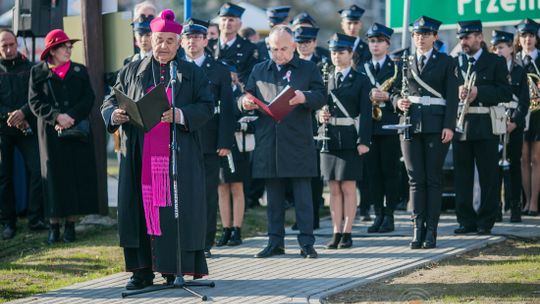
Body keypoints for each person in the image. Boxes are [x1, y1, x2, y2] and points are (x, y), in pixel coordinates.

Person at [101, 10, 214, 290]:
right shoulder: (131, 70)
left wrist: (181, 115)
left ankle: (174, 268)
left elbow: (207, 107)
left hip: (178, 156)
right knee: (138, 209)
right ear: (150, 39)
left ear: (179, 43)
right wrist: (114, 115)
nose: (163, 46)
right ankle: (141, 272)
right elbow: (109, 100)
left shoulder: (191, 73)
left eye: (169, 41)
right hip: (139, 155)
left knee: (176, 210)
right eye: (158, 39)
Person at [241, 25, 325, 258]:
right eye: (274, 49)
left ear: (294, 46)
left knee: (303, 197)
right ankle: (274, 242)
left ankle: (307, 243)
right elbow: (247, 96)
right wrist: (245, 103)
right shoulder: (260, 69)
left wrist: (304, 97)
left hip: (297, 141)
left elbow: (321, 95)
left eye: (284, 49)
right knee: (274, 197)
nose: (279, 54)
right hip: (270, 141)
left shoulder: (308, 68)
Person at [28, 29, 99, 244]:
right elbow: (34, 102)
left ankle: (70, 225)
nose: (69, 50)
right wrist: (57, 117)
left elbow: (89, 98)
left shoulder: (79, 70)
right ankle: (54, 225)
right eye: (64, 47)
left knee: (75, 177)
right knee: (54, 178)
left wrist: (71, 117)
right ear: (52, 50)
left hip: (77, 131)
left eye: (70, 47)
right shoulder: (38, 72)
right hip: (50, 134)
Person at [395, 16, 458, 248]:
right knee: (414, 179)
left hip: (436, 125)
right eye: (417, 35)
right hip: (410, 123)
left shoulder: (446, 62)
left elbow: (452, 98)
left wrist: (449, 125)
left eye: (425, 34)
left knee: (432, 179)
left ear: (435, 37)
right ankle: (416, 229)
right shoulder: (404, 60)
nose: (420, 39)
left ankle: (431, 230)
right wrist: (396, 102)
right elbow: (395, 90)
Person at [181, 18, 235, 258]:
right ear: (182, 41)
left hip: (210, 140)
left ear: (205, 40)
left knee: (207, 193)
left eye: (196, 37)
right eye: (188, 37)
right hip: (181, 139)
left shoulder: (219, 69)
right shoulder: (175, 67)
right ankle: (184, 239)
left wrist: (225, 141)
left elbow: (228, 109)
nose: (192, 42)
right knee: (182, 192)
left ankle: (205, 242)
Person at [453, 20, 512, 235]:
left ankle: (486, 221)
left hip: (485, 124)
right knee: (462, 176)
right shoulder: (455, 61)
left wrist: (479, 91)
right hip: (462, 125)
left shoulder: (494, 61)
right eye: (460, 38)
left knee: (488, 175)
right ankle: (465, 220)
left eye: (467, 37)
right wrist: (457, 90)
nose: (463, 41)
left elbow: (505, 93)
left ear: (479, 37)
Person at [319, 33, 372, 249]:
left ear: (351, 54)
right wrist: (318, 116)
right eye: (333, 52)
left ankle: (348, 231)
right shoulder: (325, 78)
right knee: (333, 188)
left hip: (350, 137)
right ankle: (335, 231)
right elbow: (317, 105)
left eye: (341, 52)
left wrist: (364, 141)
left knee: (349, 187)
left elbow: (366, 114)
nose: (336, 56)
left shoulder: (361, 80)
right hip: (328, 138)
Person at [0, 29, 45, 240]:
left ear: (17, 43)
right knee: (4, 177)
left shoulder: (30, 68)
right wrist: (9, 116)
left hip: (26, 125)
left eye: (11, 44)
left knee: (38, 170)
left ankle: (35, 218)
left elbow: (37, 95)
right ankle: (9, 222)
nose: (9, 49)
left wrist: (23, 113)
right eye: (4, 46)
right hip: (3, 129)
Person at [358, 23, 401, 234]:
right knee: (372, 174)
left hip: (390, 126)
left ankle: (390, 215)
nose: (375, 45)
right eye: (372, 41)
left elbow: (402, 94)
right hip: (370, 127)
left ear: (387, 44)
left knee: (389, 173)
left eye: (379, 41)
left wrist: (388, 97)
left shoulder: (396, 68)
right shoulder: (362, 67)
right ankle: (378, 214)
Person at [491, 30, 529, 223]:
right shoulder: (491, 69)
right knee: (495, 167)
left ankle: (515, 207)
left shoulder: (520, 71)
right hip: (496, 121)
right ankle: (496, 208)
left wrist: (514, 122)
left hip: (513, 123)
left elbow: (524, 101)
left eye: (501, 47)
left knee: (514, 165)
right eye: (495, 48)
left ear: (511, 49)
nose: (498, 51)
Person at [216, 63, 251, 247]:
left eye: (231, 74)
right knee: (222, 189)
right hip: (220, 144)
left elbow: (253, 120)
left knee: (237, 188)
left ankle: (237, 229)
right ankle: (226, 228)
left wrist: (238, 125)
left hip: (237, 145)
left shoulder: (241, 94)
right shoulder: (215, 91)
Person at [515, 18, 540, 217]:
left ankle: (534, 202)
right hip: (522, 113)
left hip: (539, 114)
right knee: (523, 158)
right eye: (524, 36)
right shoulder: (515, 61)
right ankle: (525, 200)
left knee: (536, 158)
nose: (528, 40)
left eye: (531, 35)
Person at [213, 2, 257, 86]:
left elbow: (251, 75)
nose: (227, 23)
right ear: (219, 24)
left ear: (240, 25)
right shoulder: (208, 45)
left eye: (231, 20)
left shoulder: (249, 48)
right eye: (224, 19)